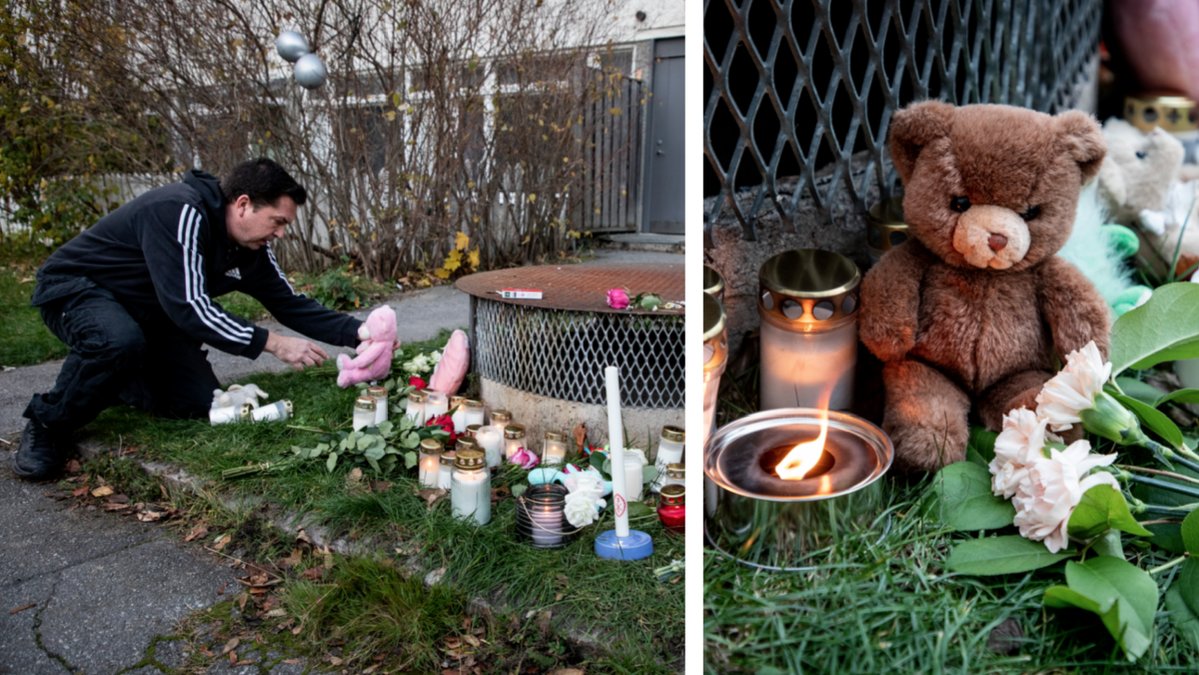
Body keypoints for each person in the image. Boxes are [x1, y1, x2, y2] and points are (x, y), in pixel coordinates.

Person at [14, 158, 364, 479]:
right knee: (117, 341)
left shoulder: (250, 247)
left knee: (198, 402)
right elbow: (189, 307)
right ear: (243, 204)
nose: (281, 233)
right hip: (78, 288)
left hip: (147, 312)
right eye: (278, 221)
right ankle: (49, 424)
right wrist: (271, 343)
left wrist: (360, 334)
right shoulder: (180, 210)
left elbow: (289, 302)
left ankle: (116, 379)